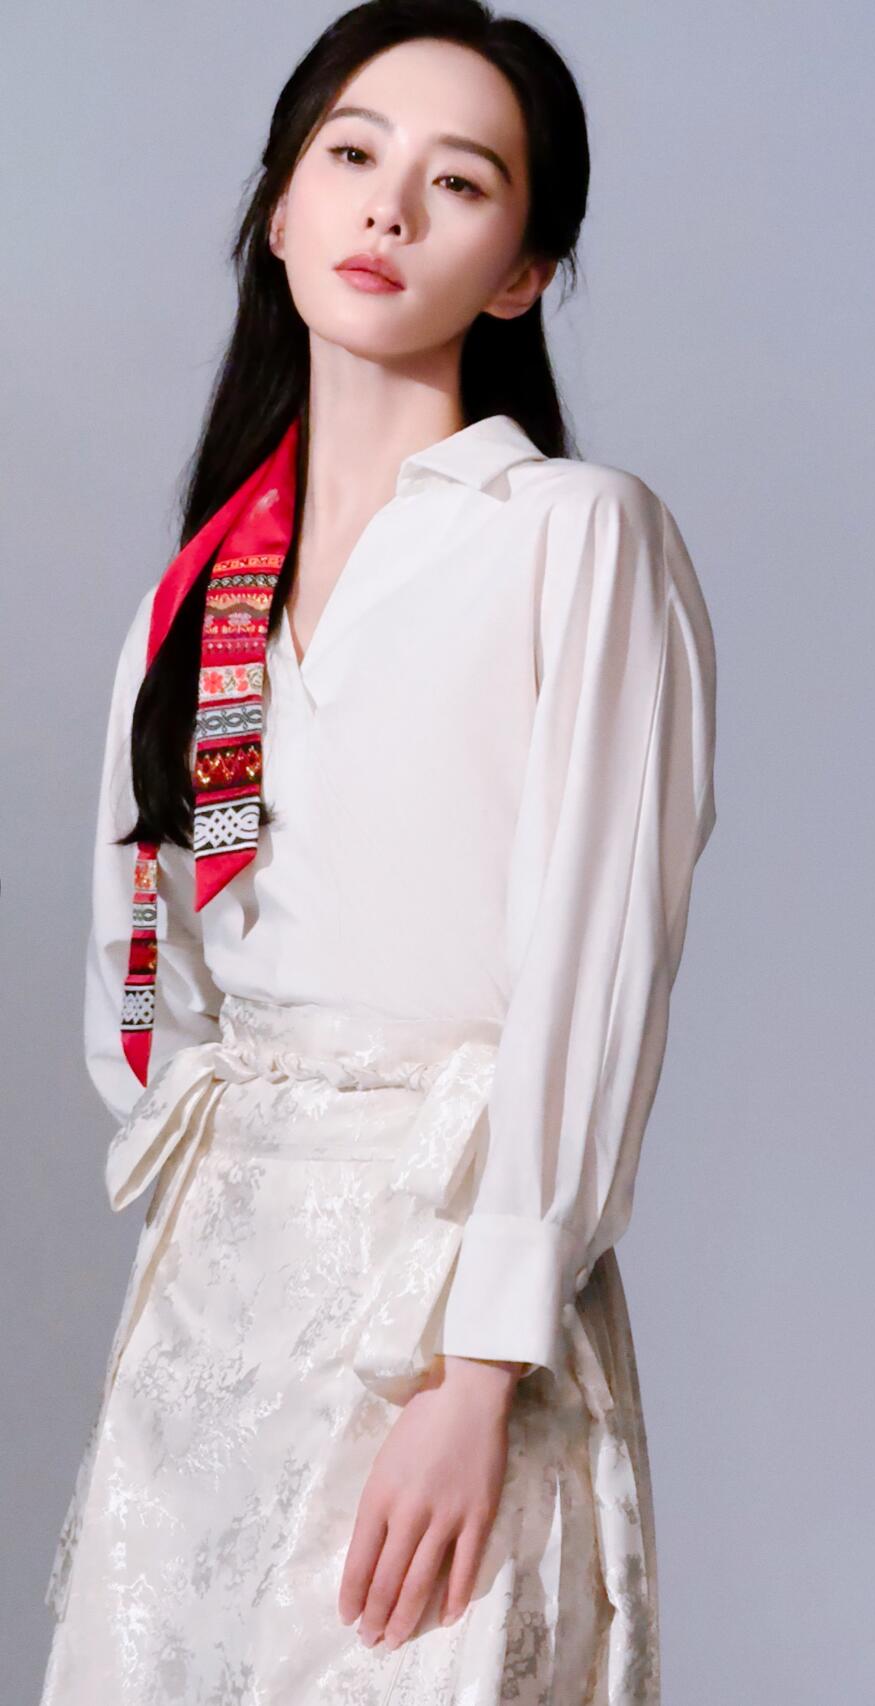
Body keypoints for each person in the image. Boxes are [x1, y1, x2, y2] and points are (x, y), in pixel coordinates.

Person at [37, 4, 717, 1702]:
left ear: (523, 273)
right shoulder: (194, 602)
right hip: (211, 1316)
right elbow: (146, 983)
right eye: (350, 153)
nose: (388, 206)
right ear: (278, 209)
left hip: (444, 1298)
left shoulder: (574, 537)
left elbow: (594, 971)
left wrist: (481, 1367)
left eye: (459, 181)